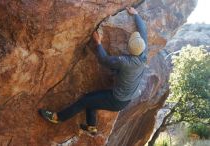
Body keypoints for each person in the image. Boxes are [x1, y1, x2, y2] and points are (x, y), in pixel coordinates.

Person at [39, 7, 148, 135]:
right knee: (93, 102)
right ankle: (91, 127)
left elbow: (104, 60)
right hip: (126, 98)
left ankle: (59, 117)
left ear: (129, 48)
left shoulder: (124, 61)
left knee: (86, 100)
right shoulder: (143, 53)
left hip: (116, 99)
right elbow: (143, 31)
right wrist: (136, 15)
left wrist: (98, 43)